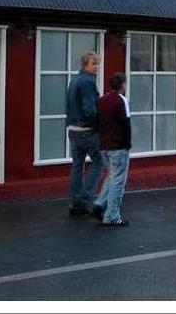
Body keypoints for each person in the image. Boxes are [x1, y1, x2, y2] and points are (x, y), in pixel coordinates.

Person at [66, 51, 103, 216]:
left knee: (77, 166)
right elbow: (90, 109)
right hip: (87, 130)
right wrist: (99, 125)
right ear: (85, 65)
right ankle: (85, 196)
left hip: (72, 130)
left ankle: (76, 201)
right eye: (94, 63)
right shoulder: (88, 82)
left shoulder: (73, 80)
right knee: (99, 162)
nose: (97, 67)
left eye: (97, 63)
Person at [92, 72, 132, 227]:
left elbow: (97, 122)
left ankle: (100, 202)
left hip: (104, 146)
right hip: (118, 146)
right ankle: (112, 216)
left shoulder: (102, 100)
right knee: (118, 182)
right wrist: (127, 145)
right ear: (122, 85)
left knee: (111, 176)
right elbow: (126, 124)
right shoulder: (122, 100)